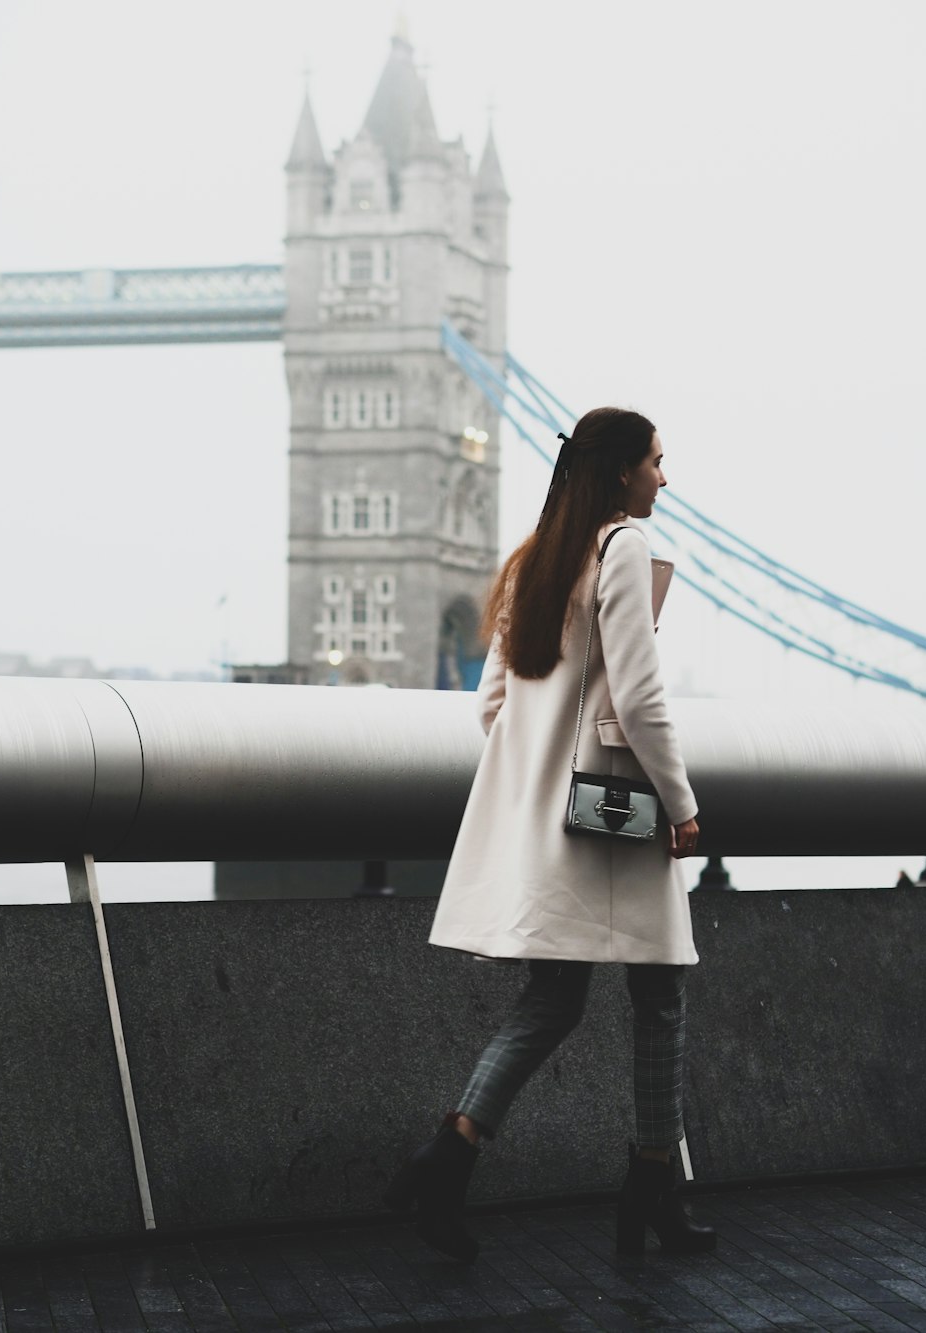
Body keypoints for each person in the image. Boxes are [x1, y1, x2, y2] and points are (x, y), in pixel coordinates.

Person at [384, 407, 715, 1262]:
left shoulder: (536, 556)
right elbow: (640, 701)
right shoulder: (624, 550)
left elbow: (492, 705)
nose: (663, 478)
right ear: (620, 474)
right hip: (613, 817)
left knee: (554, 1000)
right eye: (655, 461)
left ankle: (448, 1155)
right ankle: (651, 1190)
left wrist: (541, 763)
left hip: (547, 822)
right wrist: (680, 807)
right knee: (661, 995)